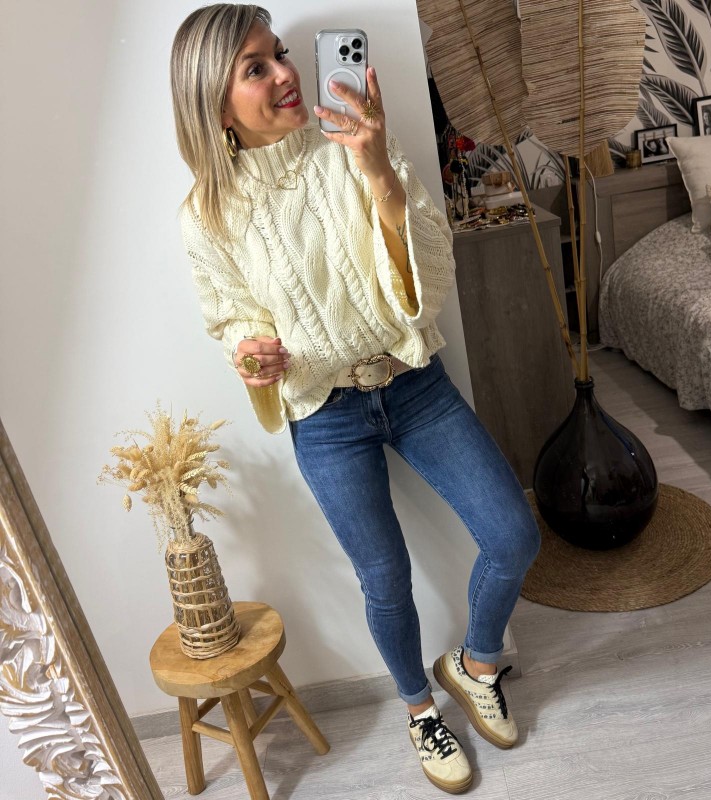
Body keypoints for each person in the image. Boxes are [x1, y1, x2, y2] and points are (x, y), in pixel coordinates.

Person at [170, 5, 540, 793]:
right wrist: (253, 353)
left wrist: (377, 171)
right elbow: (233, 316)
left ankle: (476, 665)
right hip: (325, 415)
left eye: (279, 53)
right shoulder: (205, 214)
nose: (285, 73)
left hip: (415, 384)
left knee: (513, 534)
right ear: (213, 103)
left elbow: (429, 276)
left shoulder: (354, 137)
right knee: (385, 579)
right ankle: (419, 710)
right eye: (256, 67)